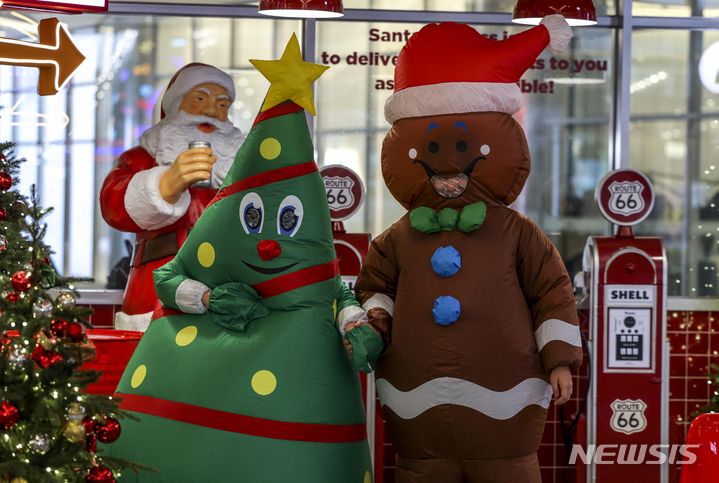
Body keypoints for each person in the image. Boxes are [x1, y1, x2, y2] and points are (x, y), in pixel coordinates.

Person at [354, 16, 583, 482]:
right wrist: (374, 325)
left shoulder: (519, 233)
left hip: (507, 391)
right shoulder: (398, 237)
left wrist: (560, 360)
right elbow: (373, 289)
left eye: (462, 146)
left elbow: (551, 294)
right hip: (415, 402)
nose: (446, 166)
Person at [99, 63, 245, 331]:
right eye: (199, 99)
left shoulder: (244, 167)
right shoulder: (143, 158)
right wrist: (165, 184)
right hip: (157, 284)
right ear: (177, 105)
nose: (211, 112)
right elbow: (112, 205)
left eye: (222, 104)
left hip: (230, 283)